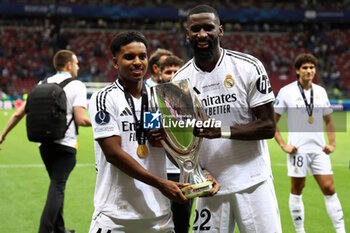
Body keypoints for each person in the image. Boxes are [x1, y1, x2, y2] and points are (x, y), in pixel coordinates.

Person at [171, 5, 282, 232]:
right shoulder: (178, 82)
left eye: (208, 28)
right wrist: (198, 175)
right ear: (187, 34)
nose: (202, 34)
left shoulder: (248, 67)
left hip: (253, 182)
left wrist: (220, 131)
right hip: (210, 187)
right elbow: (178, 144)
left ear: (220, 31)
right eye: (195, 29)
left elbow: (269, 126)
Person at [88, 31, 207, 233]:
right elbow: (113, 154)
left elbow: (178, 149)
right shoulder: (104, 98)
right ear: (115, 63)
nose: (137, 62)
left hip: (158, 215)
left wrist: (200, 173)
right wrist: (161, 184)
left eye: (142, 57)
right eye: (129, 57)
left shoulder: (161, 99)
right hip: (116, 215)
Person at [0, 49, 91, 233]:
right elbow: (81, 119)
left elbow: (19, 113)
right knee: (57, 186)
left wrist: (3, 134)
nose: (78, 66)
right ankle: (45, 230)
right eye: (76, 63)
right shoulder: (77, 85)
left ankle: (59, 229)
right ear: (68, 65)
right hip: (65, 144)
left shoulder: (42, 83)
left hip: (44, 144)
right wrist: (102, 123)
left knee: (56, 186)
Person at [274, 53, 346, 233]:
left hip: (319, 150)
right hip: (297, 151)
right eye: (305, 68)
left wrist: (332, 144)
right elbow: (272, 122)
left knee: (329, 188)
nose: (309, 71)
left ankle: (341, 230)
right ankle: (300, 231)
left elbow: (329, 120)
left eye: (312, 67)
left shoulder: (320, 91)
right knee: (297, 189)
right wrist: (284, 145)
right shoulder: (287, 92)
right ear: (297, 70)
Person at [159, 55, 191, 233]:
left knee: (182, 222)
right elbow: (151, 136)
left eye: (175, 72)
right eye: (168, 72)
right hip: (160, 173)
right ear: (160, 73)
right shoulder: (152, 102)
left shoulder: (190, 102)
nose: (171, 76)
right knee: (158, 222)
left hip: (184, 173)